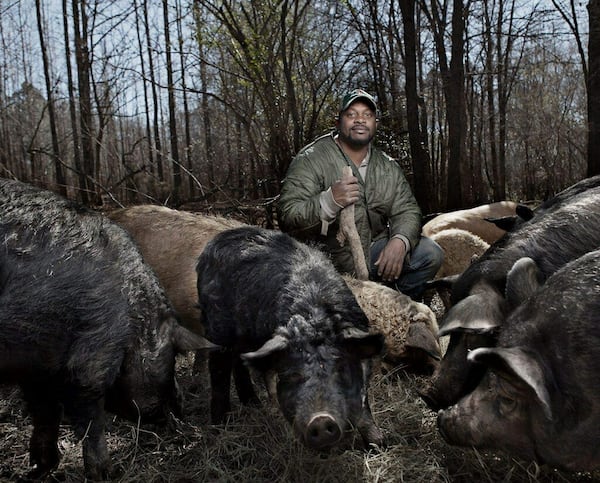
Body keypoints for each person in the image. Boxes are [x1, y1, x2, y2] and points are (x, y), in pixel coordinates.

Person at [277, 88, 443, 299]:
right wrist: (329, 201)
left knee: (430, 254)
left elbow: (407, 210)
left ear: (375, 123)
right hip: (327, 263)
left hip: (372, 255)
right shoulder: (311, 159)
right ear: (339, 122)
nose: (360, 120)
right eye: (351, 114)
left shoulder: (387, 166)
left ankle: (393, 304)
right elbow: (288, 215)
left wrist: (400, 241)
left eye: (367, 115)